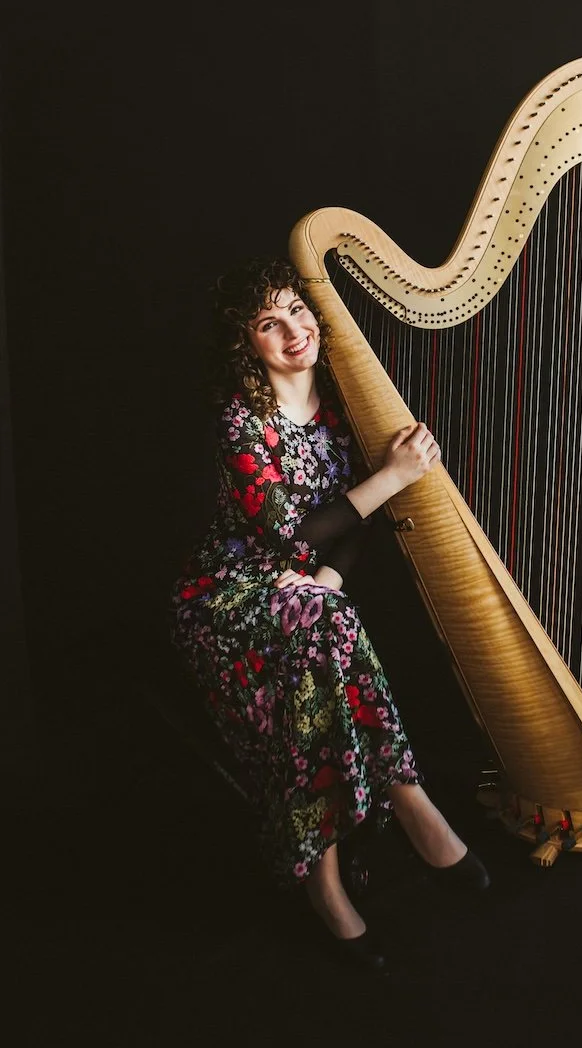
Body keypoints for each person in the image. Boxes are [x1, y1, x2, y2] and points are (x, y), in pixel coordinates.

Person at [171, 258, 489, 972]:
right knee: (325, 625)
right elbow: (294, 530)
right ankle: (409, 800)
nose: (293, 331)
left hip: (305, 598)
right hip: (224, 600)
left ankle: (325, 885)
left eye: (296, 309)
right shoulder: (240, 422)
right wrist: (394, 477)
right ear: (245, 345)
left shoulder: (348, 411)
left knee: (319, 635)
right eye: (267, 323)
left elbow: (352, 531)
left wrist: (325, 579)